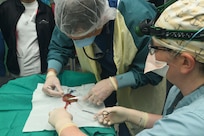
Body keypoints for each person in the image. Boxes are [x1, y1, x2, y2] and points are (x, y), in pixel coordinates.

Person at [48, 0, 204, 135]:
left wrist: (63, 124)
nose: (152, 57)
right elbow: (170, 121)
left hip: (139, 96)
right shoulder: (182, 92)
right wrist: (130, 115)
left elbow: (154, 73)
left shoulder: (192, 122)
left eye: (154, 49)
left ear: (186, 62)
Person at [0, 0, 55, 78]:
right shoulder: (6, 8)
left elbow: (53, 40)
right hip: (16, 71)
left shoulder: (46, 10)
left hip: (43, 70)